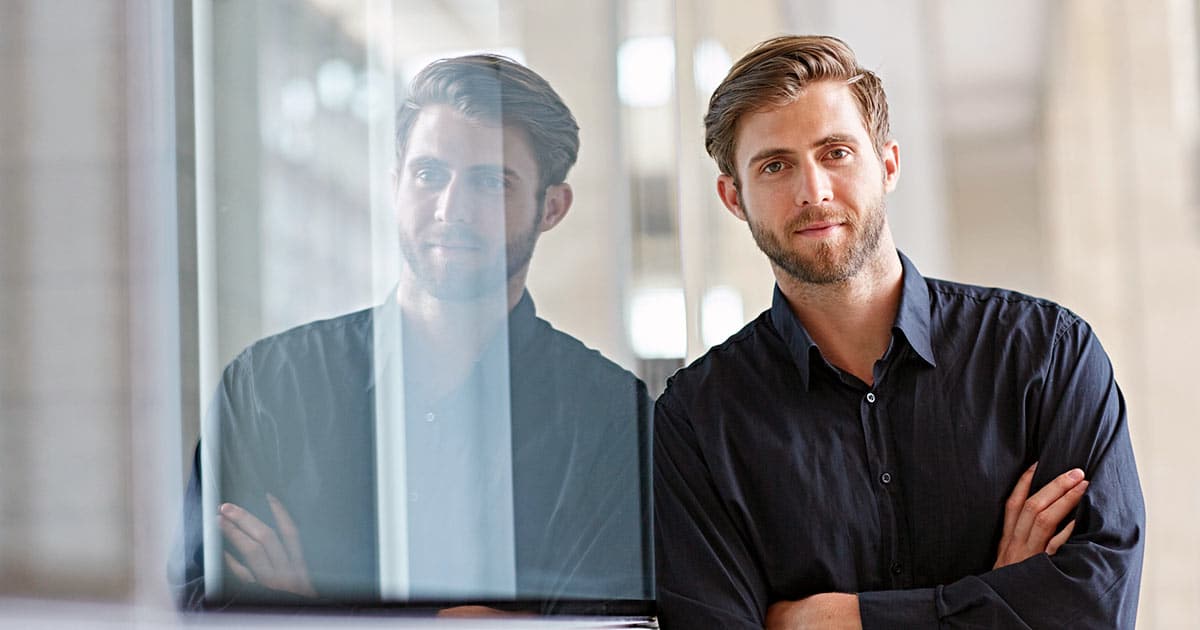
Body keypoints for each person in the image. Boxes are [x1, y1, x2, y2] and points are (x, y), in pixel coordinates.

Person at [653, 35, 1144, 629]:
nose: (814, 191)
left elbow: (1091, 609)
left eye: (835, 152)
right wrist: (996, 601)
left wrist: (841, 619)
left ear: (887, 164)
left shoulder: (1046, 356)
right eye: (776, 166)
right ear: (734, 197)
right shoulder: (697, 422)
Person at [172, 55, 653, 613]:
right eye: (429, 175)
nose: (451, 208)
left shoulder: (608, 414)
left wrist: (313, 607)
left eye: (490, 181)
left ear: (551, 208)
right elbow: (200, 608)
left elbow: (607, 626)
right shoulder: (270, 384)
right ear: (396, 184)